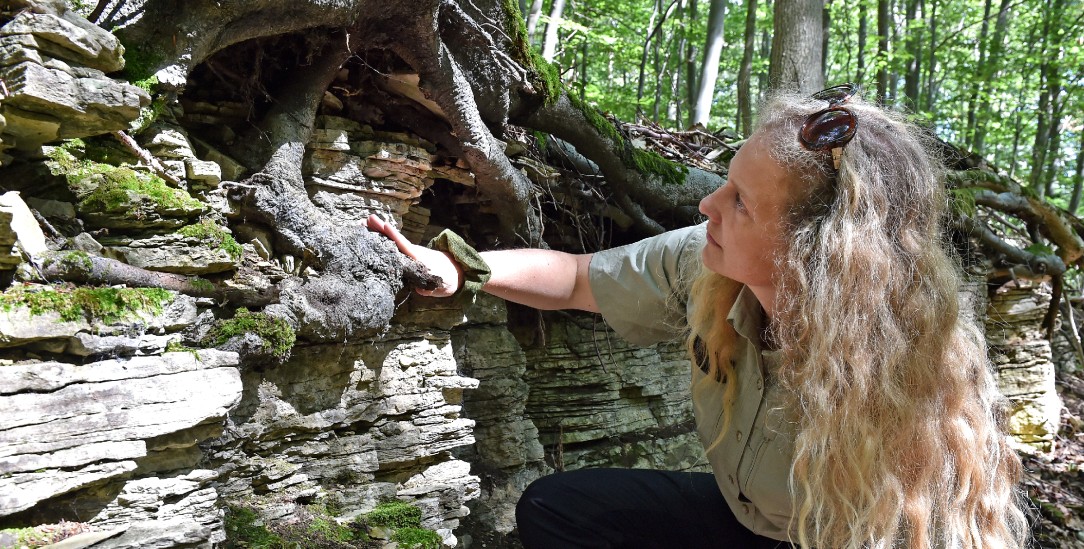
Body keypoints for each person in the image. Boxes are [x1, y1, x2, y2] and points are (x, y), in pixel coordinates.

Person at [367, 84, 1031, 549]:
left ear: (815, 251)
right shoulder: (709, 264)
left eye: (741, 201)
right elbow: (575, 280)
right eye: (726, 180)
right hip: (751, 522)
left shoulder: (900, 373)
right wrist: (465, 268)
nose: (709, 204)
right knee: (558, 511)